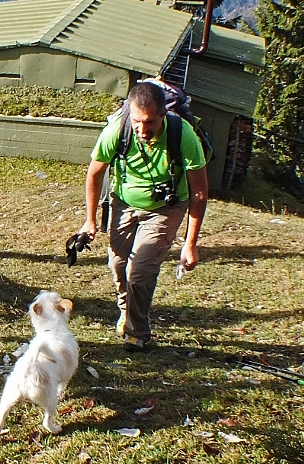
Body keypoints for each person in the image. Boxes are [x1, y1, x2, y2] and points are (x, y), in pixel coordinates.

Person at [81, 80, 209, 352]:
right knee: (117, 263)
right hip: (123, 203)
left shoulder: (183, 135)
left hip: (166, 208)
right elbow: (94, 173)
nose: (142, 130)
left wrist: (190, 243)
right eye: (137, 121)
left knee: (139, 271)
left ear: (163, 115)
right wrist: (90, 220)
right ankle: (126, 309)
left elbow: (199, 192)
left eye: (149, 123)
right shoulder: (117, 129)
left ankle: (136, 332)